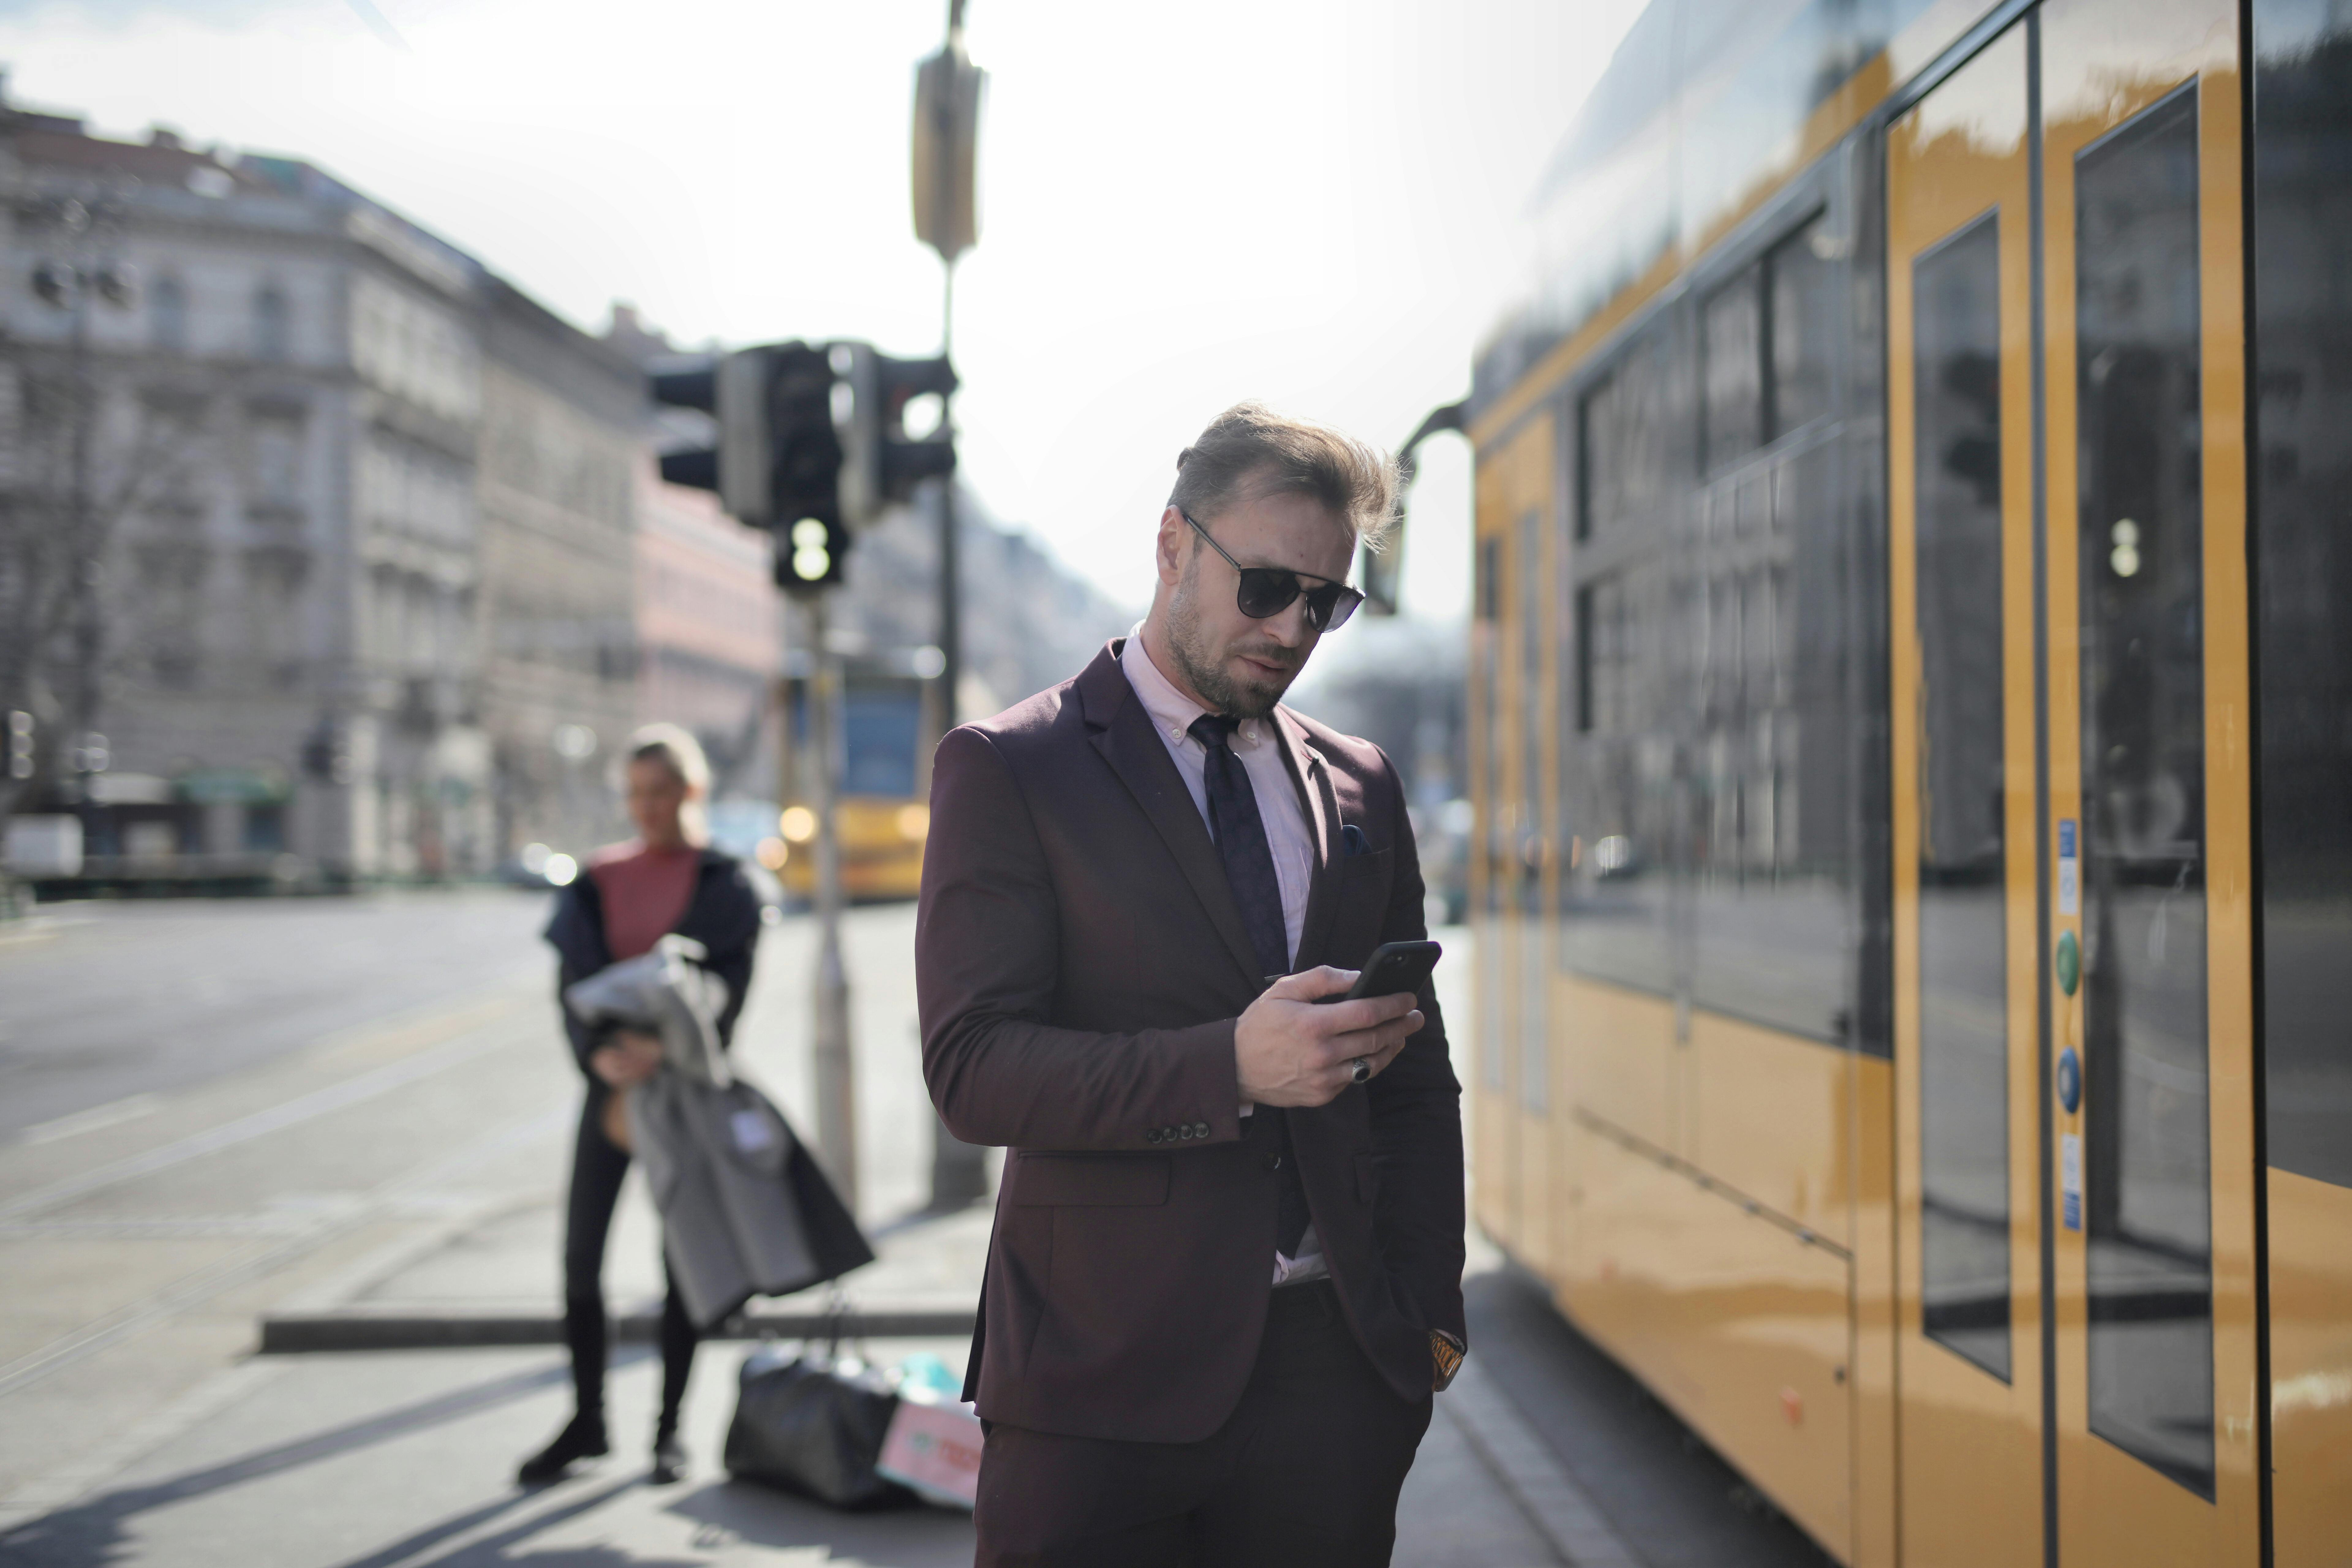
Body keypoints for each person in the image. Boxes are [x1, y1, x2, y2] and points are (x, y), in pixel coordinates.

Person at [917, 403, 1465, 1566]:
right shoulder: (1014, 767)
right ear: (1174, 546)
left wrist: (1424, 1319)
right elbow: (973, 1069)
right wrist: (1228, 1066)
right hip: (1096, 1386)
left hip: (1335, 1384)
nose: (1294, 628)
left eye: (1327, 601)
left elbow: (1417, 1071)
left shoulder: (1359, 781)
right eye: (1266, 586)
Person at [519, 724, 764, 1486]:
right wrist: (604, 1063)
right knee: (579, 1262)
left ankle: (668, 1431)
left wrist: (660, 1054)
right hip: (609, 1095)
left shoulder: (726, 881)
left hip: (683, 1093)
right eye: (635, 794)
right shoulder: (597, 879)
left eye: (661, 792)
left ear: (691, 792)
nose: (647, 807)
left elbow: (727, 997)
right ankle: (588, 1420)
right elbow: (570, 990)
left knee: (682, 1262)